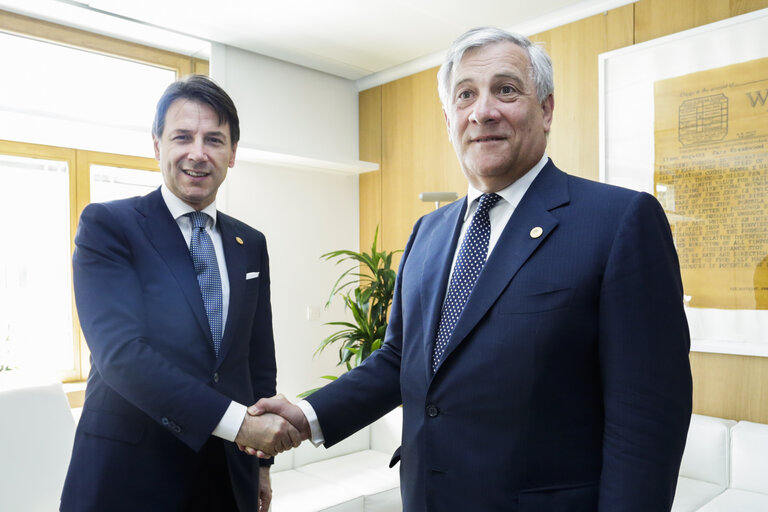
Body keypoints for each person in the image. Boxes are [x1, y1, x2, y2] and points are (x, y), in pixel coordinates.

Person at [251, 27, 693, 511]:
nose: (483, 111)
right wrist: (306, 414)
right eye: (466, 95)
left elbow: (646, 419)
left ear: (545, 109)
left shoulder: (618, 222)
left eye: (506, 89)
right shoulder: (427, 232)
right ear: (449, 119)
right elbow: (401, 358)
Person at [60, 75, 300, 512]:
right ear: (157, 146)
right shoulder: (109, 227)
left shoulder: (252, 243)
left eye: (214, 139)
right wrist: (237, 425)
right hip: (130, 475)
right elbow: (121, 355)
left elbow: (256, 357)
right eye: (183, 137)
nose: (198, 153)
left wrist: (260, 463)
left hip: (227, 477)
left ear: (232, 154)